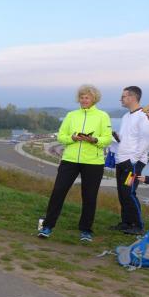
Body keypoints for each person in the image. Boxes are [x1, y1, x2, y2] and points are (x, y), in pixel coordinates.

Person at [38, 84, 112, 242]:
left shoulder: (102, 116)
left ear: (94, 99)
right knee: (58, 192)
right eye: (82, 97)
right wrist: (72, 138)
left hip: (93, 162)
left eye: (87, 97)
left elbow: (107, 139)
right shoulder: (71, 115)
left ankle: (86, 230)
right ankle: (47, 226)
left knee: (89, 196)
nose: (84, 100)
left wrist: (94, 139)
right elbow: (61, 136)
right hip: (70, 160)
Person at [113, 86, 149, 235]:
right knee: (122, 193)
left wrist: (133, 160)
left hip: (133, 163)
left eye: (123, 96)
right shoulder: (125, 116)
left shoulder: (143, 117)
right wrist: (116, 138)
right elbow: (126, 139)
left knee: (129, 192)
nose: (120, 99)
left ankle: (138, 225)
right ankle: (126, 223)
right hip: (122, 161)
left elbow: (146, 140)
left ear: (132, 98)